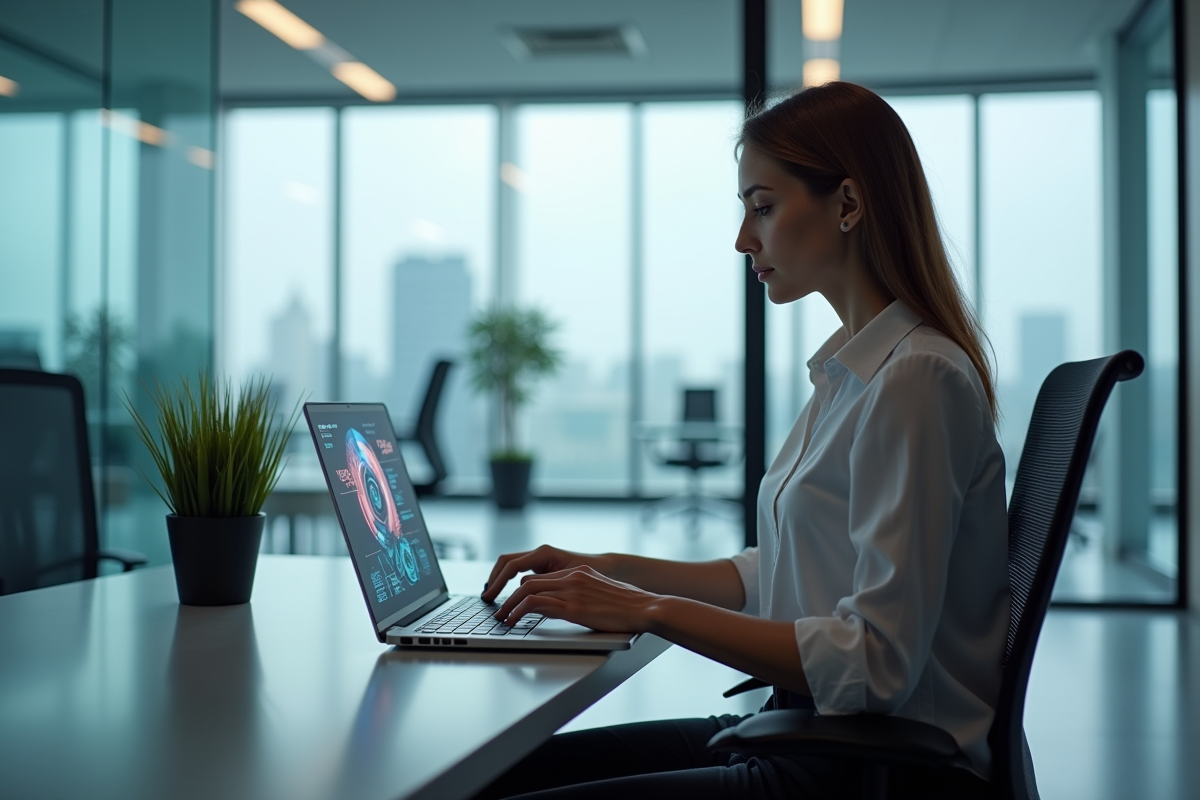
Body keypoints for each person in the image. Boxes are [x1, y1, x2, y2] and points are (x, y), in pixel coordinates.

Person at [475, 81, 1009, 800]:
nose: (742, 239)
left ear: (848, 204)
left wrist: (648, 610)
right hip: (816, 733)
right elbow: (777, 574)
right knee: (504, 772)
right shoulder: (851, 370)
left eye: (763, 207)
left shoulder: (915, 378)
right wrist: (608, 571)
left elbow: (876, 663)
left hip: (873, 770)